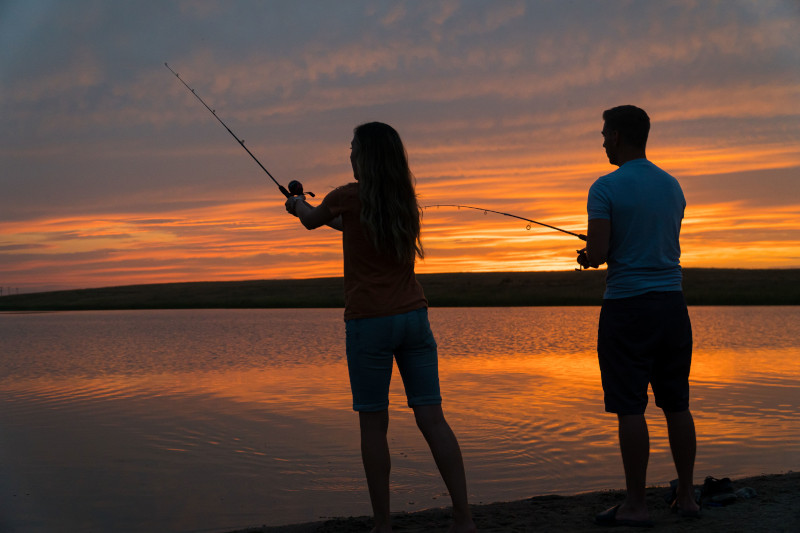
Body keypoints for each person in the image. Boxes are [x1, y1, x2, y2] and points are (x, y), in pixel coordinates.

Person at [285, 122, 476, 533]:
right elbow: (348, 224)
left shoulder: (345, 197)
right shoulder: (404, 201)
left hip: (369, 324)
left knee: (373, 425)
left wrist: (296, 201)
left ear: (366, 156)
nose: (349, 154)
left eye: (353, 148)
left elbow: (311, 221)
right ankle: (465, 520)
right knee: (434, 419)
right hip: (414, 320)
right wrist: (319, 211)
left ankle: (383, 526)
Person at [577, 106, 700, 527]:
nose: (602, 141)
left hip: (627, 308)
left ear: (617, 136)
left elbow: (597, 253)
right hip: (672, 305)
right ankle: (686, 497)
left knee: (630, 407)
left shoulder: (604, 187)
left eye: (604, 134)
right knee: (677, 403)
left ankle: (636, 504)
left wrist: (588, 257)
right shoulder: (672, 186)